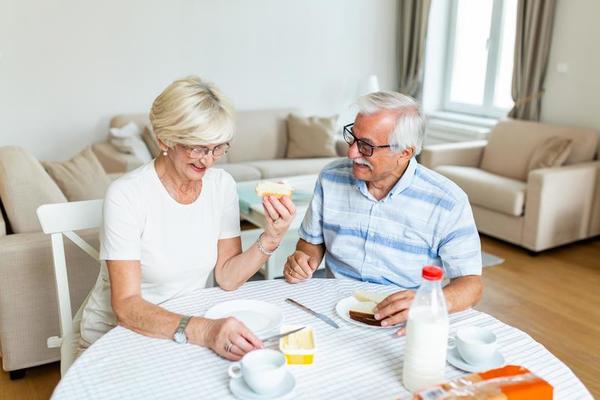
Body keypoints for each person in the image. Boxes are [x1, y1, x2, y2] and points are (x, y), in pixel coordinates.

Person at [81, 76, 295, 360]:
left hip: (184, 329)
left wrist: (272, 237)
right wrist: (205, 331)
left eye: (218, 147)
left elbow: (228, 277)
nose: (207, 159)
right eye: (197, 147)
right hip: (119, 336)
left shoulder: (221, 185)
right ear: (164, 139)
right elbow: (126, 305)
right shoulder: (127, 195)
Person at [283, 91, 482, 335]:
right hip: (332, 311)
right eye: (352, 138)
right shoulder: (330, 178)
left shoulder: (448, 201)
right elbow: (310, 243)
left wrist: (427, 304)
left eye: (366, 146)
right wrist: (304, 259)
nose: (352, 153)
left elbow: (470, 284)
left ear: (405, 152)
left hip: (403, 322)